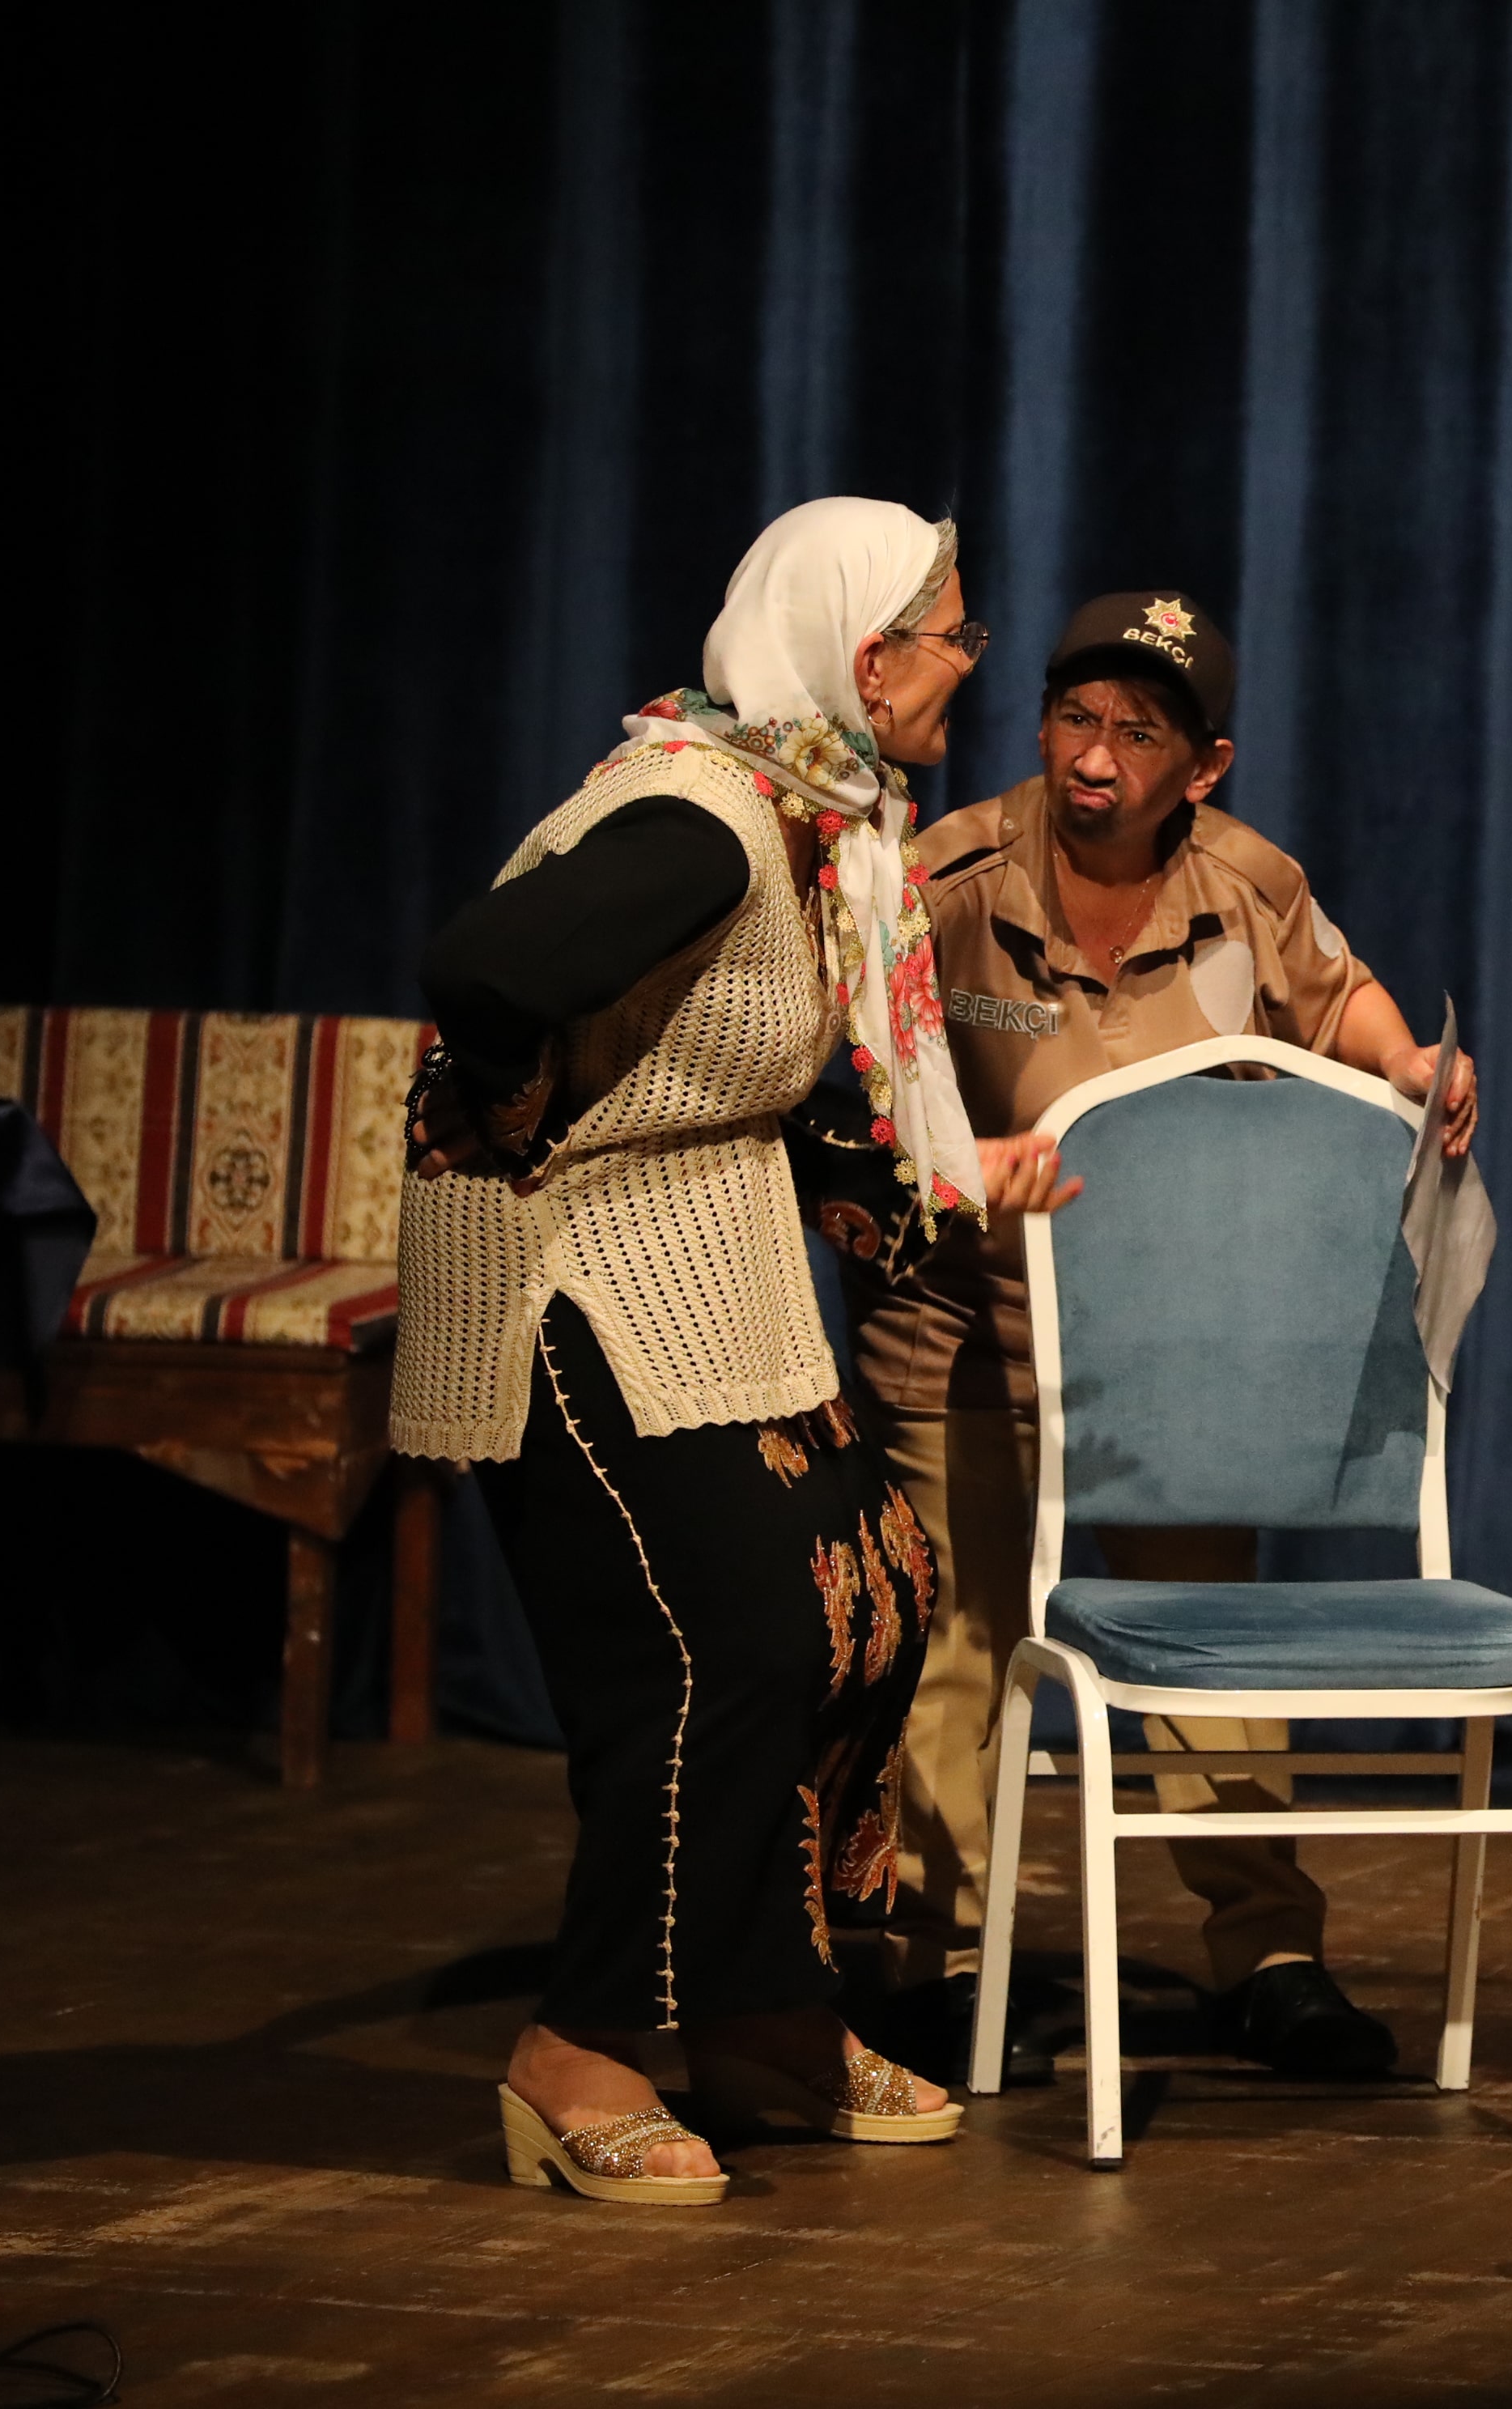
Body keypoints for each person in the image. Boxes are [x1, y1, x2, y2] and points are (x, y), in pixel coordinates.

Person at [395, 496, 1032, 2204]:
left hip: (711, 1279)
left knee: (871, 1592)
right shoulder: (701, 820)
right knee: (722, 1650)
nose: (968, 664)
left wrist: (932, 1181)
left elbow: (752, 1075)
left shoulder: (817, 821)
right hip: (567, 1285)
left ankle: (762, 2010)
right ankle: (579, 2047)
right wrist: (509, 1108)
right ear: (869, 659)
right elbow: (482, 967)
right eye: (953, 634)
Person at [843, 589, 1477, 2081]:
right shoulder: (943, 880)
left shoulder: (1245, 884)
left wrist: (1410, 1063)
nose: (1093, 756)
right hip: (969, 1337)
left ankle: (1267, 1954)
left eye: (1137, 733)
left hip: (1177, 1353)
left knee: (1205, 1657)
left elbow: (1342, 999)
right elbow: (855, 1077)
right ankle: (944, 1959)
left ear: (1204, 765)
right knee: (959, 1654)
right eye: (1074, 717)